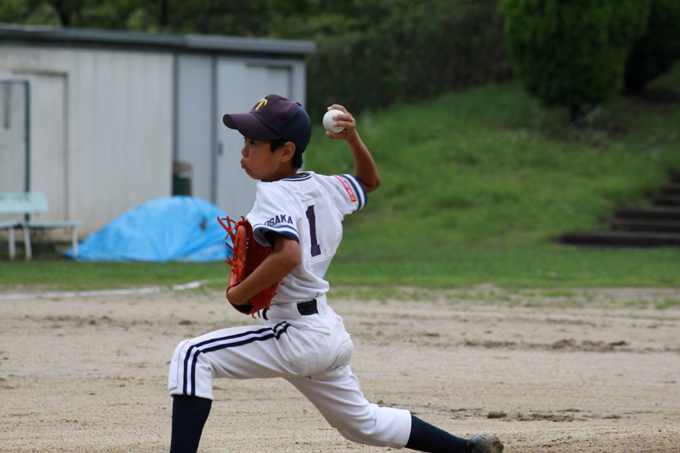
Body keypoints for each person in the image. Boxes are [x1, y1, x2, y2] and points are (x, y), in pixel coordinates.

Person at [167, 94, 504, 453]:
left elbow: (288, 255)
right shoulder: (323, 186)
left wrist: (238, 294)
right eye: (245, 141)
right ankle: (467, 450)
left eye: (254, 142)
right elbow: (368, 182)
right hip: (326, 332)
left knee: (192, 356)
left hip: (296, 336)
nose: (244, 151)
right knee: (363, 424)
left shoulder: (273, 194)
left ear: (286, 151)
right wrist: (353, 139)